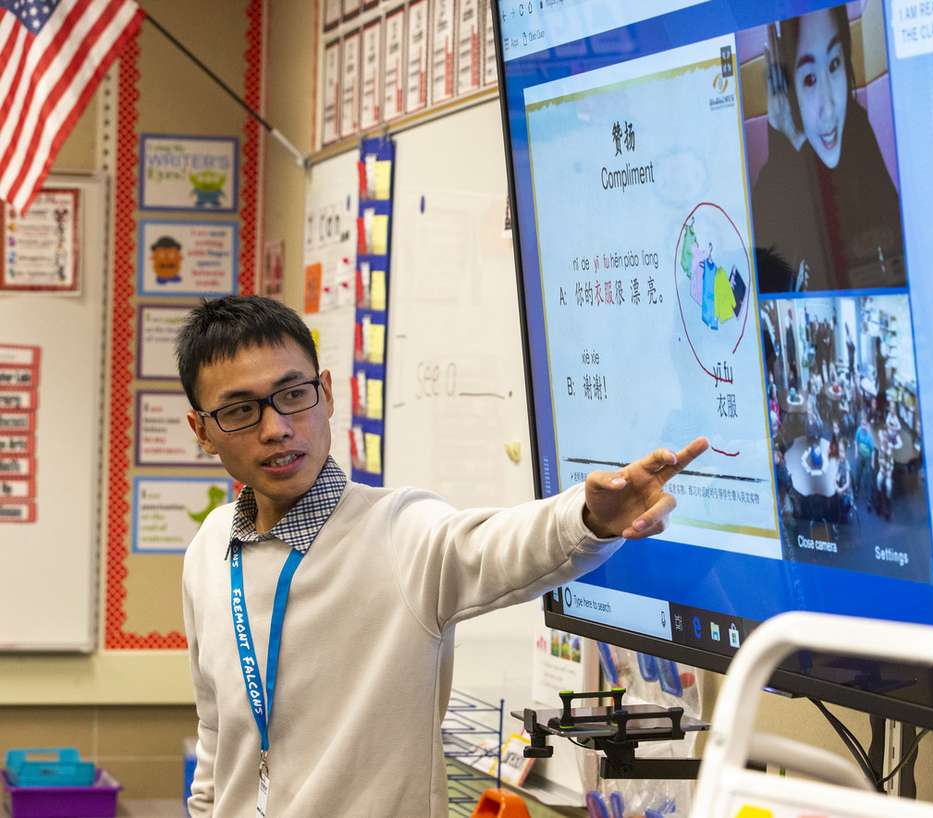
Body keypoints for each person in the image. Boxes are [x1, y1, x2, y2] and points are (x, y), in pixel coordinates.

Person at [176, 296, 707, 817]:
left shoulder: (398, 532)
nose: (276, 427)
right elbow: (216, 733)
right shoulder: (211, 550)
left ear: (328, 394)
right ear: (202, 431)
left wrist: (589, 519)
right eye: (241, 411)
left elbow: (496, 546)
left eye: (293, 394)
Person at [752, 6, 904, 293]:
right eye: (809, 79)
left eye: (834, 65)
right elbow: (763, 280)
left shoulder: (857, 129)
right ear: (788, 88)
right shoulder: (785, 167)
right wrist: (785, 140)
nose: (829, 107)